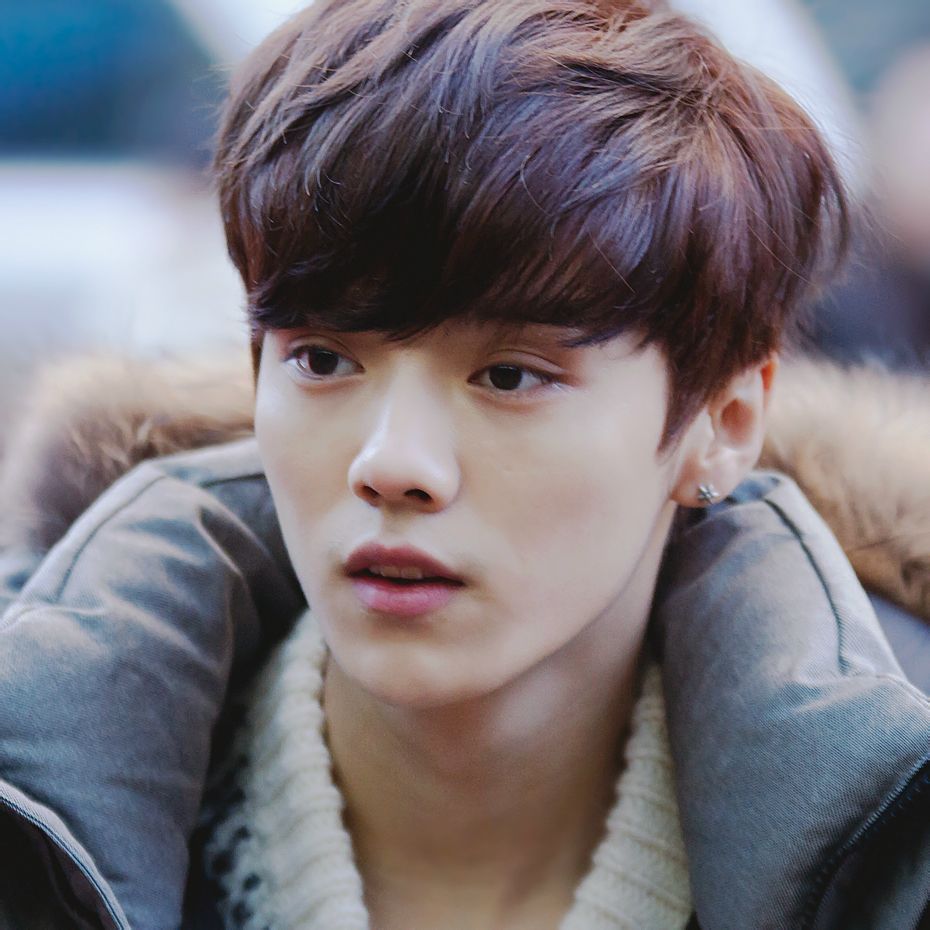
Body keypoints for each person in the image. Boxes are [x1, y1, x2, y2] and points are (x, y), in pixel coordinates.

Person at [1, 1, 929, 928]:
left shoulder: (896, 842)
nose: (392, 464)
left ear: (722, 423)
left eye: (510, 377)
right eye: (321, 359)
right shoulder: (33, 783)